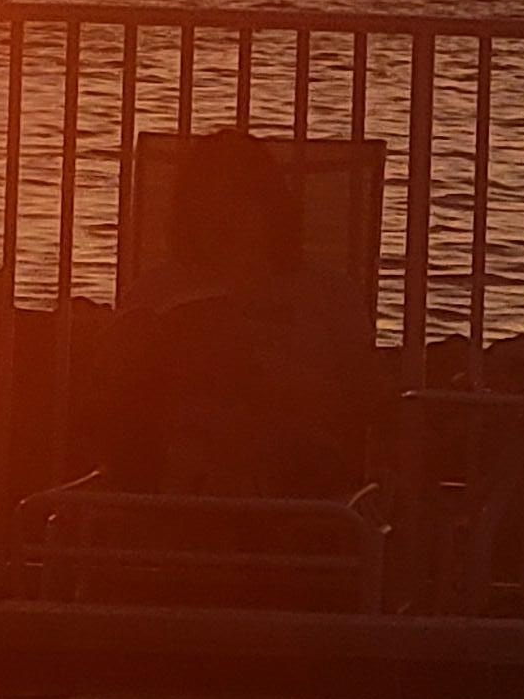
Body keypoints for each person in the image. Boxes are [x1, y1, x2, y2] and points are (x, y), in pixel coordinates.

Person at [109, 124, 380, 498]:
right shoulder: (155, 291)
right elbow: (124, 397)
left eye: (238, 197)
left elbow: (361, 398)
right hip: (183, 455)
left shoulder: (329, 292)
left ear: (270, 203)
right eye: (210, 201)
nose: (226, 215)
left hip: (294, 460)